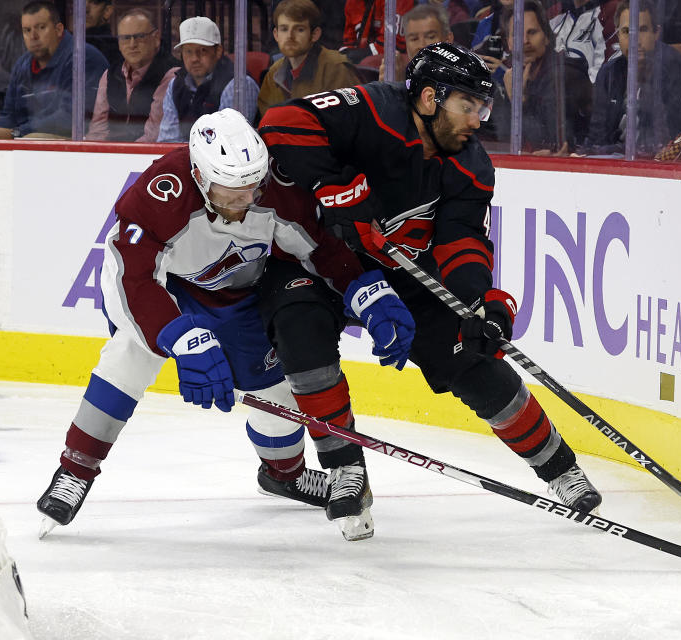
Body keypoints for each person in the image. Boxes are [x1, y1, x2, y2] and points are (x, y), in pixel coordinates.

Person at [257, 43, 603, 541]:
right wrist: (334, 186)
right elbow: (283, 122)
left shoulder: (469, 164)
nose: (478, 120)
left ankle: (560, 469)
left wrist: (479, 299)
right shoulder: (372, 110)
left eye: (483, 108)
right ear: (427, 98)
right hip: (318, 262)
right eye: (469, 106)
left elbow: (461, 238)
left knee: (475, 358)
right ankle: (344, 467)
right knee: (300, 333)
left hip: (401, 275)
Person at [36, 109, 388, 539]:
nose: (245, 203)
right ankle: (76, 469)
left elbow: (320, 250)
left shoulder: (272, 189)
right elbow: (130, 279)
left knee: (275, 393)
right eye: (231, 193)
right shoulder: (159, 194)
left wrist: (366, 291)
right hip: (169, 292)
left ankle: (285, 474)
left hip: (239, 299)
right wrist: (181, 338)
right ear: (201, 177)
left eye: (251, 190)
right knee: (127, 357)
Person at [582, 0, 681, 156]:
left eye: (643, 30)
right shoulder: (608, 74)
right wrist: (585, 155)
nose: (635, 40)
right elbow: (597, 137)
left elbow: (670, 144)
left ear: (656, 33)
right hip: (615, 163)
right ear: (618, 35)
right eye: (626, 31)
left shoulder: (677, 71)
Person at [0, 1, 107, 139]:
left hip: (71, 148)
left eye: (41, 28)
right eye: (27, 30)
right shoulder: (22, 64)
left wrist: (15, 133)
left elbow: (69, 119)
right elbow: (9, 115)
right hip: (25, 143)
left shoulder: (83, 58)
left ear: (58, 29)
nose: (33, 37)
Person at [488, 0, 591, 154]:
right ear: (508, 43)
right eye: (516, 34)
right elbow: (503, 140)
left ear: (547, 37)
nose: (524, 42)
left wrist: (519, 101)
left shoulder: (563, 74)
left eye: (532, 32)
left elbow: (553, 144)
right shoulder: (512, 76)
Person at [157, 17, 260, 142]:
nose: (194, 58)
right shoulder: (175, 84)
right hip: (186, 157)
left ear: (218, 51)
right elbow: (168, 140)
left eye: (203, 50)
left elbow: (228, 144)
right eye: (188, 51)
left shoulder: (237, 85)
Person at [86, 9, 179, 142]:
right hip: (112, 156)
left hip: (145, 157)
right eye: (125, 38)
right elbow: (97, 131)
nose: (132, 44)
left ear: (156, 38)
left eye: (140, 36)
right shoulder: (108, 76)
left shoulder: (171, 75)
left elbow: (152, 136)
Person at [257, 0, 359, 117]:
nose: (290, 36)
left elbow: (346, 123)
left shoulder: (337, 68)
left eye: (299, 29)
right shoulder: (273, 73)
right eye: (284, 29)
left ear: (315, 34)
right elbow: (267, 123)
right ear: (276, 35)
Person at [379, 4, 454, 82]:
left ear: (447, 40)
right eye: (414, 39)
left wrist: (396, 87)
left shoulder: (462, 79)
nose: (421, 45)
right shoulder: (398, 72)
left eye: (430, 37)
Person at [339, 0, 415, 65]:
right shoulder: (353, 2)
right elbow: (350, 41)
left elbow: (393, 46)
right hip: (364, 62)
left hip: (397, 63)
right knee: (336, 62)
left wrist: (354, 55)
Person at [549, 0, 606, 83]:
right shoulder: (556, 22)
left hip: (584, 90)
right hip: (554, 88)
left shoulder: (602, 17)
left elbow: (601, 70)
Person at [84, 0, 119, 67]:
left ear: (107, 11)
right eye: (81, 3)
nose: (85, 9)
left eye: (94, 3)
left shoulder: (114, 49)